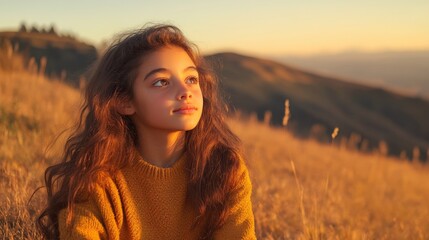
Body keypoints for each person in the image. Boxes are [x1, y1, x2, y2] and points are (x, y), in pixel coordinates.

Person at [37, 24, 256, 240]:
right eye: (161, 82)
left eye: (191, 79)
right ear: (124, 101)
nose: (185, 92)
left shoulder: (224, 170)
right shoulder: (97, 181)